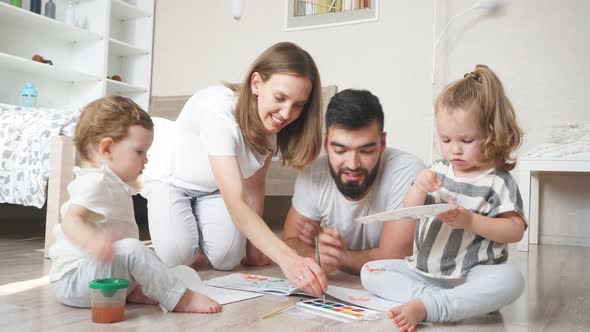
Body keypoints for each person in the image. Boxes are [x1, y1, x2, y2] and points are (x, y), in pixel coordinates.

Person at [142, 42, 327, 296]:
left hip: (214, 188)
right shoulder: (218, 112)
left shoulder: (272, 125)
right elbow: (237, 205)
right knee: (177, 254)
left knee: (228, 258)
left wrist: (255, 251)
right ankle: (185, 237)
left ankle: (197, 229)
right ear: (256, 84)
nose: (287, 114)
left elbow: (255, 183)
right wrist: (288, 258)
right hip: (172, 179)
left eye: (298, 105)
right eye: (280, 98)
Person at [361, 65, 526, 331]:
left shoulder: (498, 181)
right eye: (446, 140)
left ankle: (432, 305)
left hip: (474, 274)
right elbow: (408, 211)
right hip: (426, 272)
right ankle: (443, 301)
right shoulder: (437, 170)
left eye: (466, 139)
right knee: (370, 272)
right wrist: (417, 186)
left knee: (512, 280)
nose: (455, 149)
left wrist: (469, 221)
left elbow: (515, 230)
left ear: (491, 134)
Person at [48, 96, 222, 314]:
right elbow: (71, 221)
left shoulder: (113, 183)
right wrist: (92, 241)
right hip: (74, 280)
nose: (146, 160)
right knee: (132, 249)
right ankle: (180, 299)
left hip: (99, 275)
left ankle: (133, 291)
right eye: (139, 152)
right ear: (107, 149)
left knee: (149, 257)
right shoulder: (95, 181)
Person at [283, 89, 426, 275]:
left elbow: (393, 261)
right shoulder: (313, 174)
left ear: (382, 144)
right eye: (340, 150)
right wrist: (318, 255)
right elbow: (291, 242)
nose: (352, 164)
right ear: (326, 144)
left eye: (366, 151)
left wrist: (337, 257)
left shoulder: (407, 172)